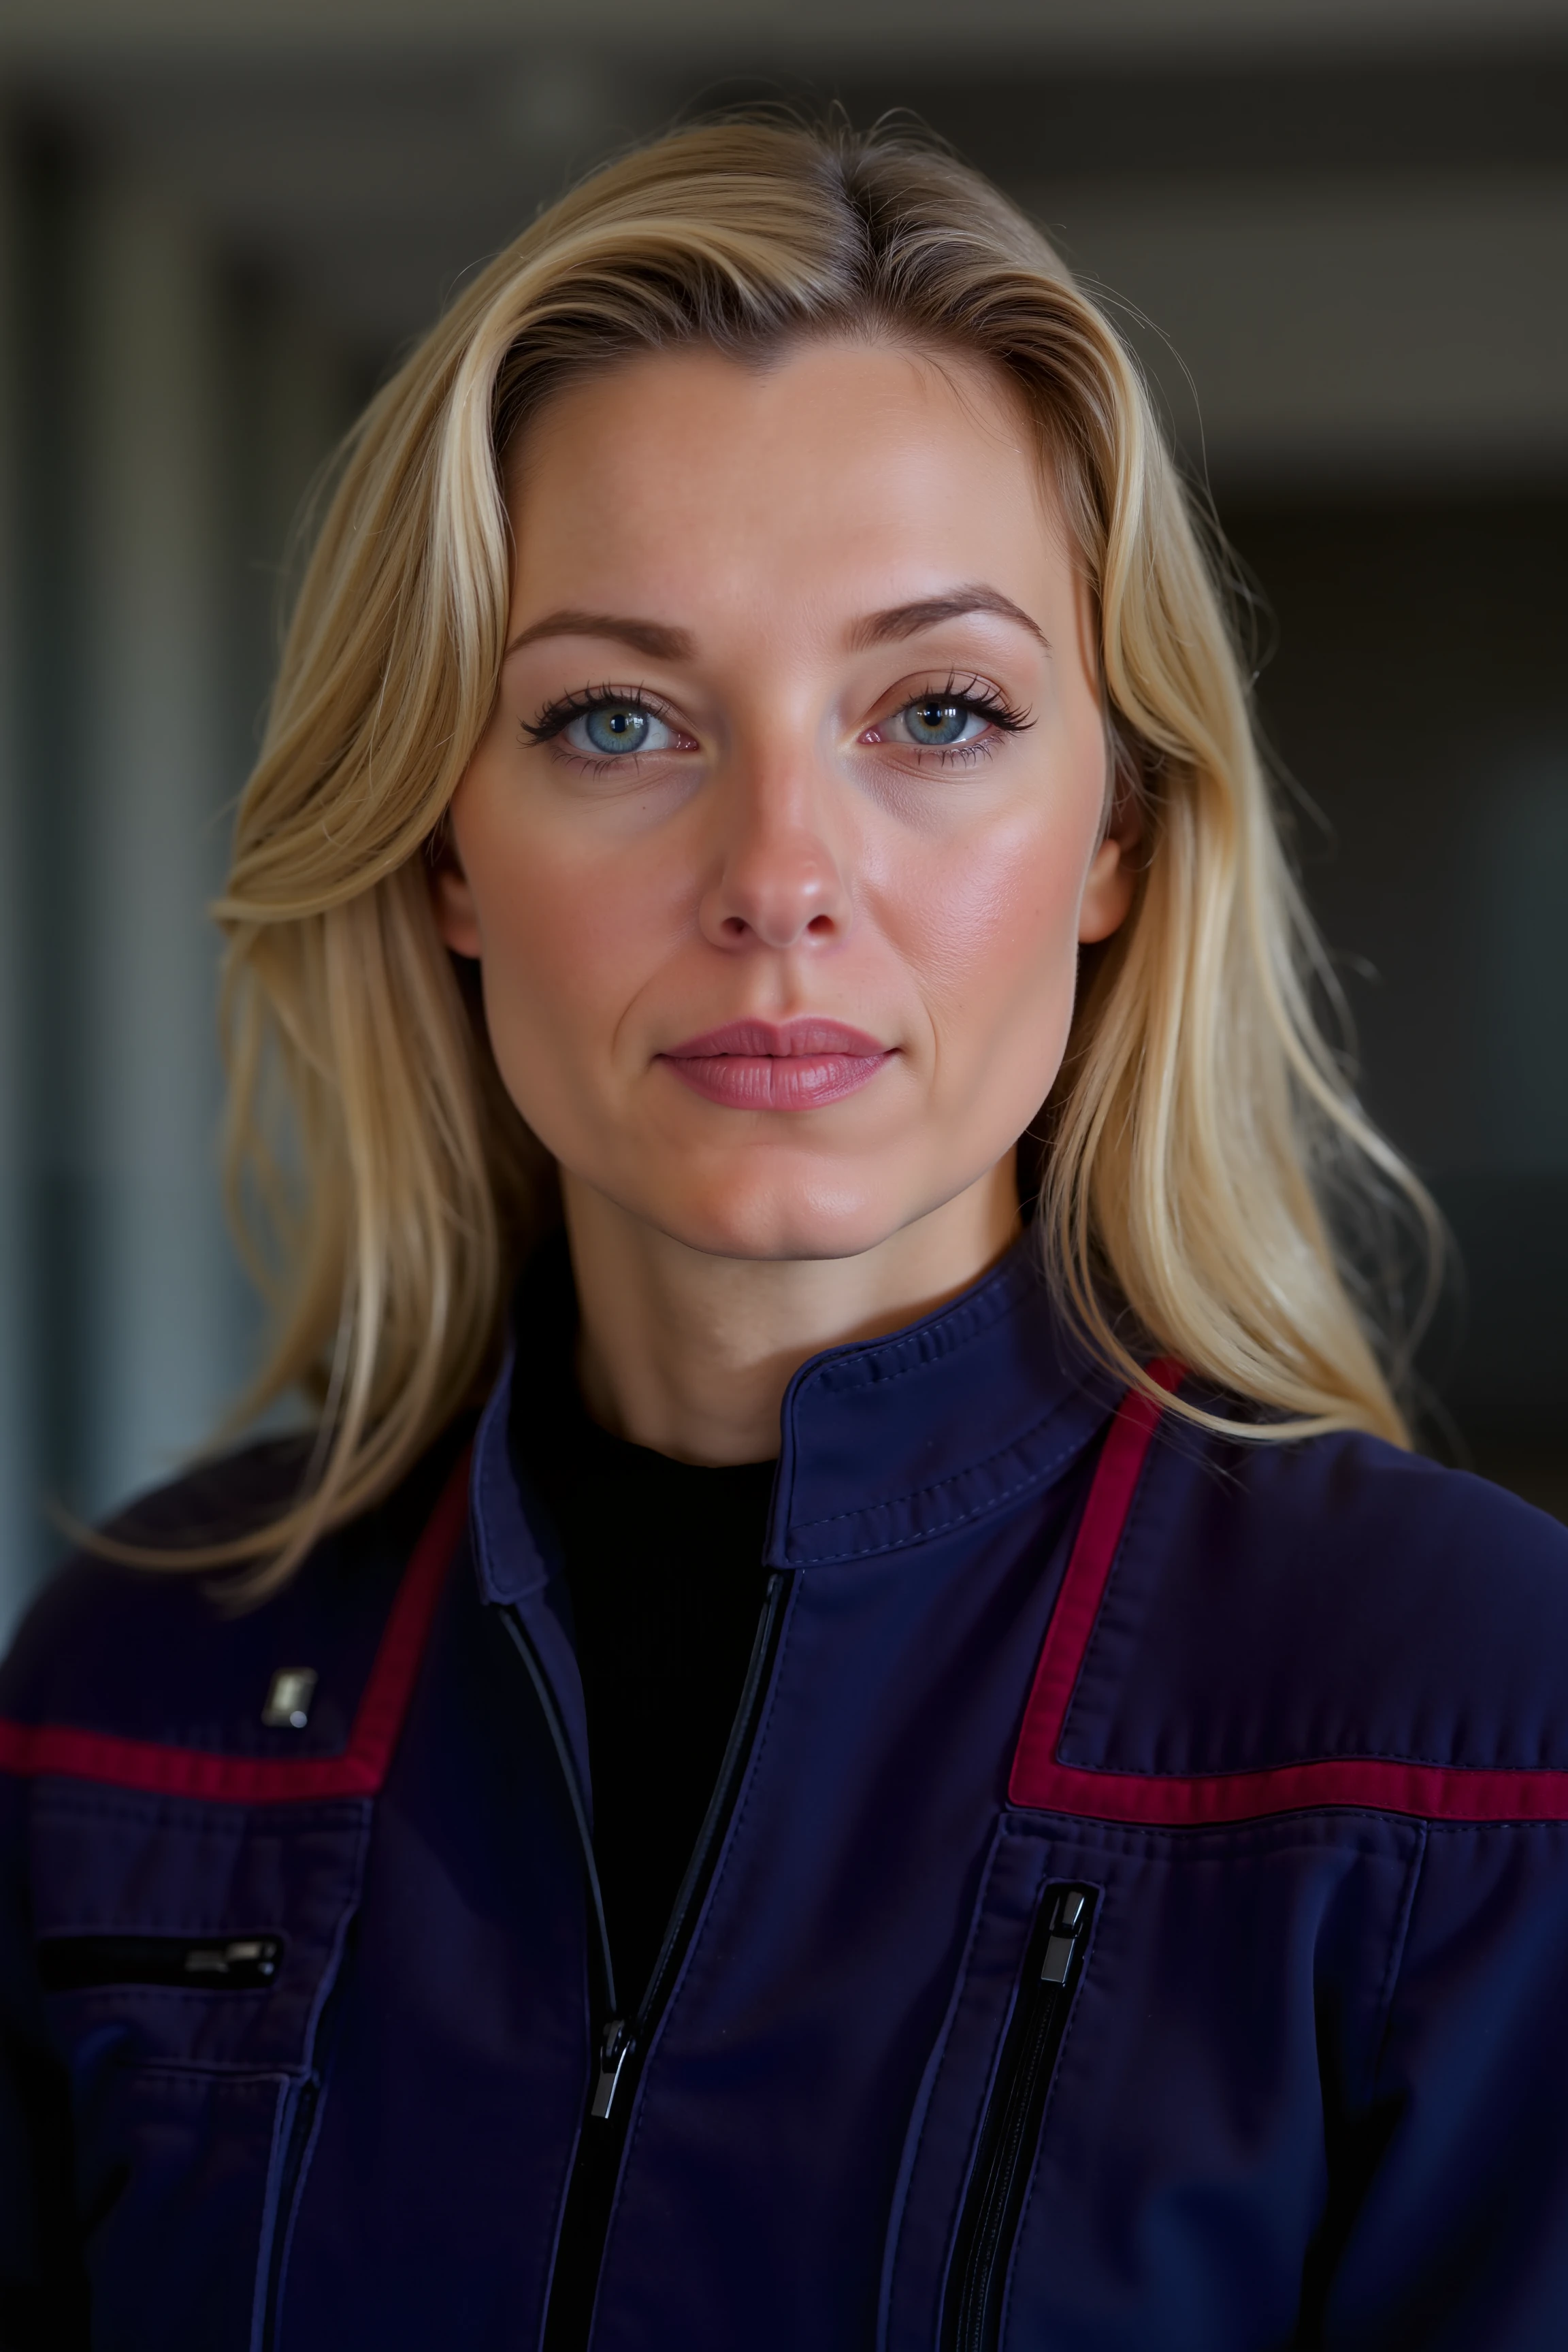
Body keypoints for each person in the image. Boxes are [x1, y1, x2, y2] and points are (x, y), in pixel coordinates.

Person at [3, 116, 1566, 2352]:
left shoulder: (1473, 1716)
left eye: (939, 713)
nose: (779, 872)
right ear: (446, 849)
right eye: (615, 718)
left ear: (1113, 835)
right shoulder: (131, 1703)